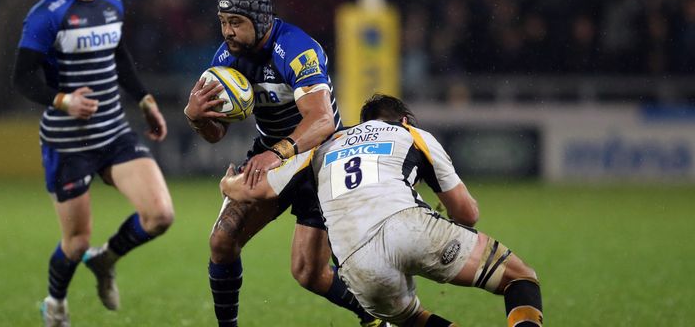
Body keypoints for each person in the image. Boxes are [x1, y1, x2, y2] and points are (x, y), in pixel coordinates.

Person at [220, 94, 544, 327]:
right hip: (408, 226)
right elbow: (467, 214)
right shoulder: (411, 133)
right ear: (403, 119)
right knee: (519, 278)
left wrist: (229, 186)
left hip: (356, 263)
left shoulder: (326, 143)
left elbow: (259, 188)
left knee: (412, 319)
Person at [183, 0, 387, 327]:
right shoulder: (226, 58)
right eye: (223, 22)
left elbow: (322, 120)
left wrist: (277, 154)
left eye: (236, 23)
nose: (227, 31)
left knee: (309, 273)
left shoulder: (295, 48)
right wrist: (196, 117)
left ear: (261, 20)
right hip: (273, 152)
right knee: (222, 242)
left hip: (320, 157)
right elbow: (216, 135)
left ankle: (373, 316)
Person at [12, 0, 174, 327]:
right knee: (75, 242)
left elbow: (120, 59)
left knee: (160, 216)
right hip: (67, 143)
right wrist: (63, 100)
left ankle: (106, 260)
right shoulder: (46, 16)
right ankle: (56, 305)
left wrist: (146, 100)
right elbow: (22, 77)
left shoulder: (112, 4)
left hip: (114, 133)